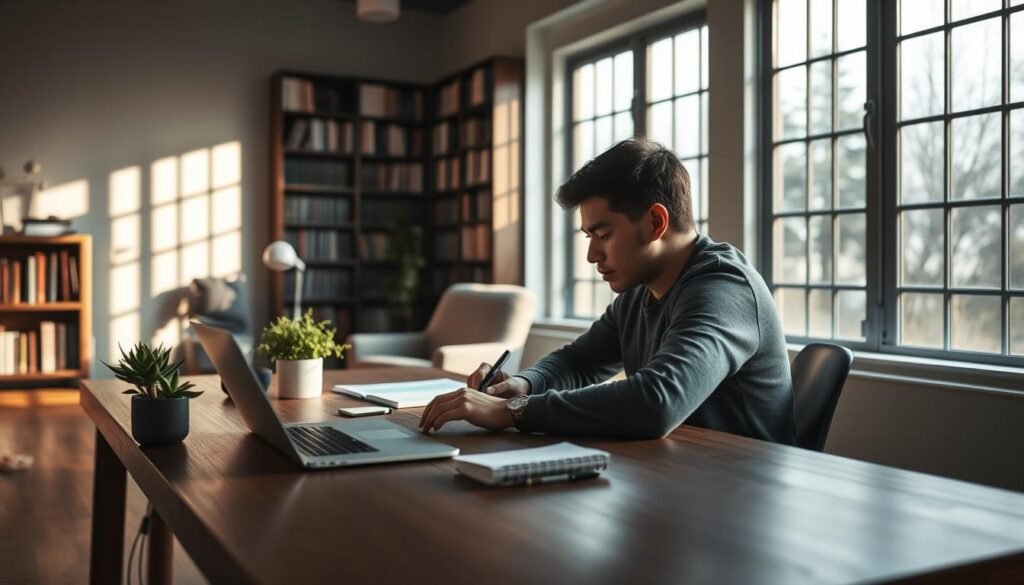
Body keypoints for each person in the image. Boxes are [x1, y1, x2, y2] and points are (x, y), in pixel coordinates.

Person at [419, 138, 795, 443]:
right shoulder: (640, 290)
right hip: (680, 478)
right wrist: (521, 383)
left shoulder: (723, 288)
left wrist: (514, 410)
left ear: (655, 222)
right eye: (588, 236)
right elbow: (580, 361)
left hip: (745, 495)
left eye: (603, 234)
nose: (591, 254)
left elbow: (657, 401)